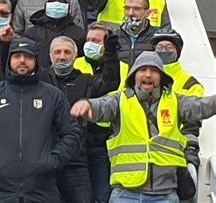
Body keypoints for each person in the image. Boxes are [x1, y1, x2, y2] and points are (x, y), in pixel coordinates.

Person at [70, 51, 216, 202]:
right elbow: (101, 105)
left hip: (165, 194)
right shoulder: (120, 100)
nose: (148, 74)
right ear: (134, 76)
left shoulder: (176, 101)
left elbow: (203, 106)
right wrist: (87, 104)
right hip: (125, 194)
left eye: (153, 70)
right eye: (142, 70)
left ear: (161, 77)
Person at [0, 37, 81, 202]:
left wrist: (52, 161)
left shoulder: (53, 95)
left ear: (36, 61)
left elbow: (72, 133)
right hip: (1, 190)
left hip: (43, 191)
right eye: (17, 56)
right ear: (9, 59)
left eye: (28, 56)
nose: (22, 61)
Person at [43, 36, 119, 203]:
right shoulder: (40, 81)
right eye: (57, 52)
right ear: (50, 56)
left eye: (67, 52)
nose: (62, 56)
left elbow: (110, 82)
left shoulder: (85, 80)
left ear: (75, 56)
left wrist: (111, 55)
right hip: (45, 161)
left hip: (76, 160)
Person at [151, 28, 204, 171]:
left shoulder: (189, 83)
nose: (164, 51)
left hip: (175, 154)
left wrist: (191, 149)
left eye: (169, 47)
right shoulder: (142, 77)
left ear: (178, 51)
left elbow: (192, 121)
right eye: (160, 47)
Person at [23, 0, 86, 69]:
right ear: (45, 5)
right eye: (52, 1)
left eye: (62, 1)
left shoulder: (78, 33)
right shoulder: (32, 33)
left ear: (68, 6)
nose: (57, 3)